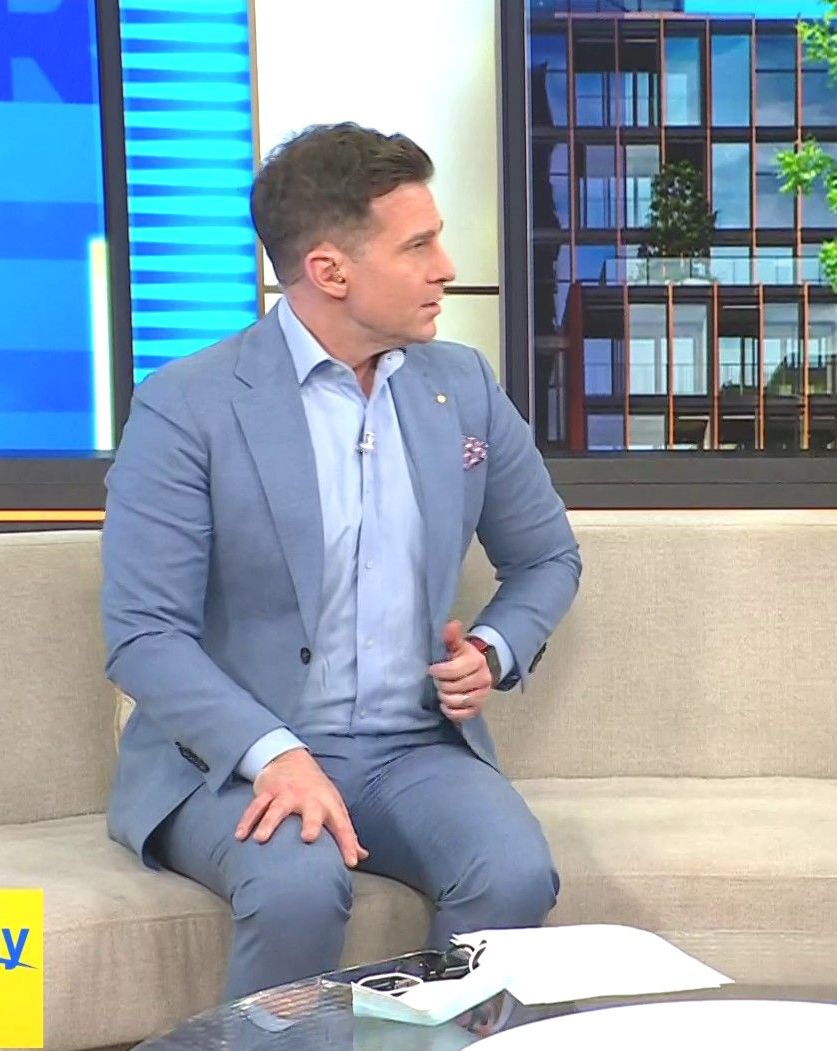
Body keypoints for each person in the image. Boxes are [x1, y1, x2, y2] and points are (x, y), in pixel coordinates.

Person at [100, 122, 581, 1001]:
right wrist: (275, 755)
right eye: (418, 246)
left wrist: (492, 650)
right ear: (330, 271)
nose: (445, 267)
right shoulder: (187, 407)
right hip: (233, 758)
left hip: (412, 750)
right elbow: (144, 634)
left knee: (513, 873)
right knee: (296, 887)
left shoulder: (463, 386)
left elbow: (546, 556)